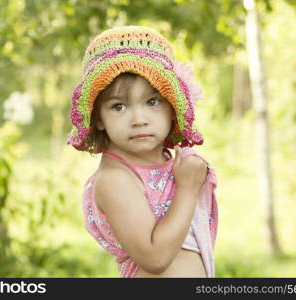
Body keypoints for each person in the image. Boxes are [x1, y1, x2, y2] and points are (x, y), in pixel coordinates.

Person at [66, 25, 218, 278]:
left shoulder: (172, 164)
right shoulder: (116, 179)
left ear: (172, 107)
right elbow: (155, 258)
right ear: (98, 117)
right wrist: (188, 189)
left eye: (152, 101)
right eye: (118, 106)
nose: (139, 119)